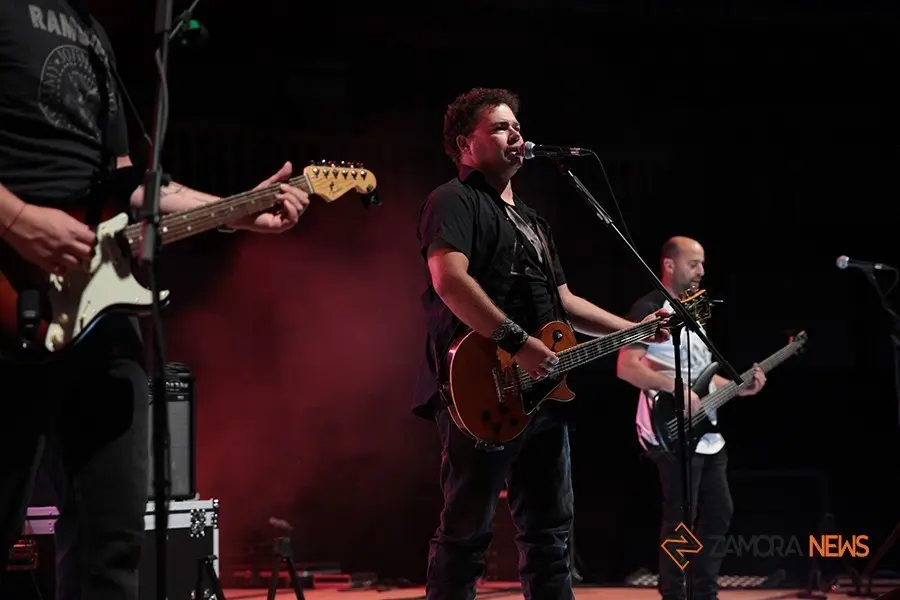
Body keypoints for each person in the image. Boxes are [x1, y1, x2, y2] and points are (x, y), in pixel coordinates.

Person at [0, 1, 310, 598]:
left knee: (111, 541)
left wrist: (237, 210)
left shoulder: (92, 35)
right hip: (11, 292)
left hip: (100, 316)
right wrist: (17, 219)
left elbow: (131, 182)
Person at [413, 86, 669, 600]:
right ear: (466, 144)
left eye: (517, 126)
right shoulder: (452, 200)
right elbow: (450, 282)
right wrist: (519, 342)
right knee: (466, 535)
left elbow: (566, 303)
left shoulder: (533, 221)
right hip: (480, 387)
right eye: (501, 127)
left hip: (543, 397)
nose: (516, 134)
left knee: (550, 537)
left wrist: (634, 328)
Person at [616, 236, 766, 600]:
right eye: (693, 263)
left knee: (718, 512)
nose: (701, 271)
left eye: (702, 264)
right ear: (669, 265)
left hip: (707, 432)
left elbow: (703, 376)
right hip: (670, 429)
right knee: (681, 518)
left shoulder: (693, 314)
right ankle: (674, 592)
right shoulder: (649, 308)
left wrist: (737, 385)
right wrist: (674, 387)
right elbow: (626, 367)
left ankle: (704, 591)